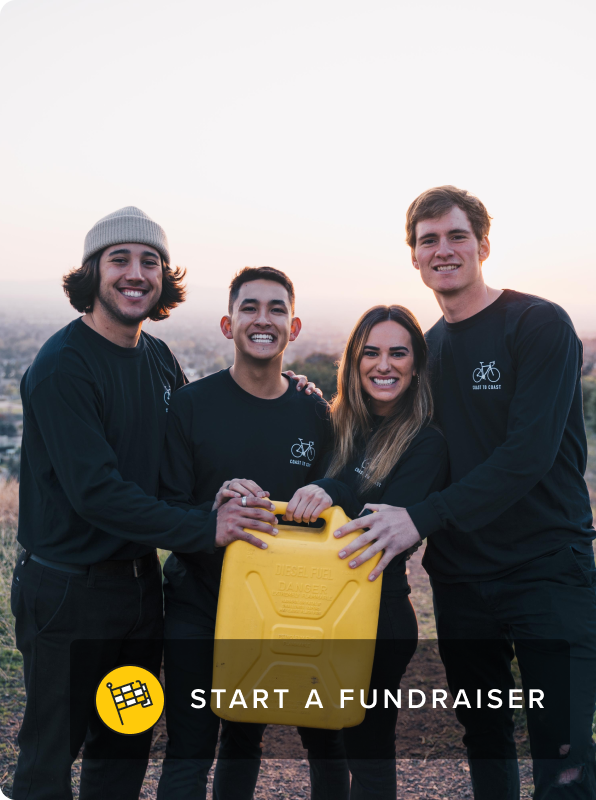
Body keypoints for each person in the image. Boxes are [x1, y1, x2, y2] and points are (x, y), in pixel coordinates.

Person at [335, 186, 596, 799]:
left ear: (483, 245)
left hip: (546, 574)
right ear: (413, 256)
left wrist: (420, 519)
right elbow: (386, 441)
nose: (444, 249)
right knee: (485, 742)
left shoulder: (537, 324)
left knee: (561, 757)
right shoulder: (426, 353)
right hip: (462, 586)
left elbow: (526, 456)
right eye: (428, 240)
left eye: (457, 236)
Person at [10, 207, 280, 800]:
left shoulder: (158, 357)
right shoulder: (63, 367)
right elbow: (97, 493)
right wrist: (206, 527)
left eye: (150, 261)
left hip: (138, 591)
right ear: (93, 273)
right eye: (120, 260)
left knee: (124, 742)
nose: (137, 273)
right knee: (51, 753)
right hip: (67, 595)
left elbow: (183, 454)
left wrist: (285, 385)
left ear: (163, 277)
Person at [157, 267, 349, 800]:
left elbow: (334, 503)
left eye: (276, 309)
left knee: (254, 739)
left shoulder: (317, 413)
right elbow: (168, 509)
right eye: (249, 307)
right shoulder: (191, 406)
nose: (263, 319)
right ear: (227, 323)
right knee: (191, 746)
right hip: (198, 604)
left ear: (295, 325)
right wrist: (212, 510)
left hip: (278, 610)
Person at [286, 304, 448, 799]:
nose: (384, 364)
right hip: (312, 611)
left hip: (375, 620)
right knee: (320, 744)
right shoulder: (332, 425)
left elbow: (380, 528)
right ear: (353, 362)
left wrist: (334, 490)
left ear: (416, 364)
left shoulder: (426, 443)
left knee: (368, 753)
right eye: (370, 352)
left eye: (398, 353)